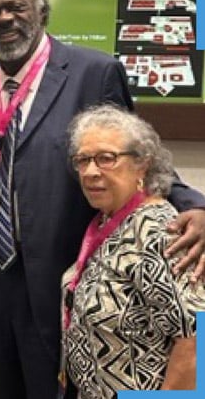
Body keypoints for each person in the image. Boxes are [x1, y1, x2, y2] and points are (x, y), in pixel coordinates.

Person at [0, 0, 205, 398]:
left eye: (16, 7)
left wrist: (196, 205)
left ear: (41, 12)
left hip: (54, 269)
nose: (4, 18)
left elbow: (135, 151)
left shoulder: (92, 71)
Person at [61, 104, 205, 397]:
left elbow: (196, 340)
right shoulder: (106, 221)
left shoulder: (157, 232)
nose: (90, 172)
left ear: (143, 164)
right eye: (83, 160)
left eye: (106, 158)